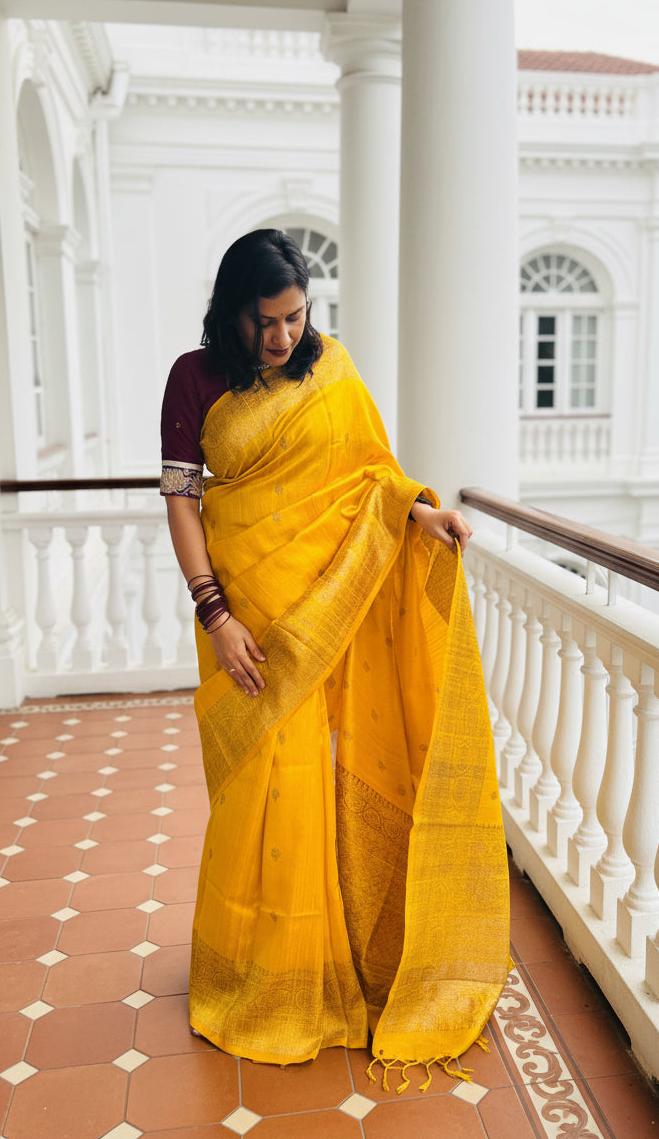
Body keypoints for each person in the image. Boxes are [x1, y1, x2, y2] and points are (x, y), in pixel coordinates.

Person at [160, 228, 509, 1089]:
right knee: (262, 789)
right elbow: (182, 500)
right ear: (230, 312)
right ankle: (257, 974)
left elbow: (367, 476)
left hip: (329, 597)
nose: (282, 337)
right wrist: (216, 615)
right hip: (248, 613)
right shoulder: (193, 379)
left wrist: (420, 513)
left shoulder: (332, 370)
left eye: (295, 316)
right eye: (264, 320)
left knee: (332, 773)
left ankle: (350, 954)